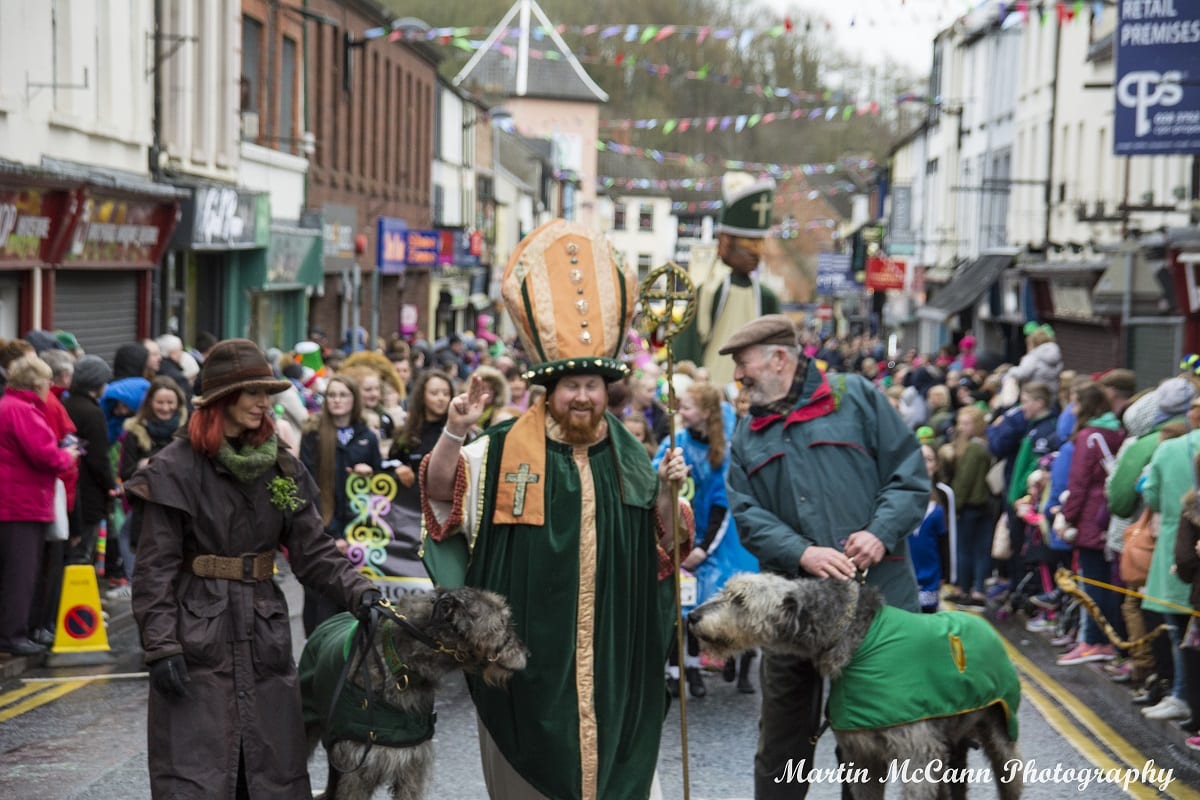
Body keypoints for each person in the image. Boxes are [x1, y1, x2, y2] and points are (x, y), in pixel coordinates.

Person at [421, 219, 690, 800]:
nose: (583, 396)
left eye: (593, 385)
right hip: (529, 663)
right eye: (571, 386)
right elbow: (443, 494)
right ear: (549, 390)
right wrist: (452, 433)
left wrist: (671, 493)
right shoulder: (499, 450)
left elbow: (665, 548)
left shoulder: (631, 458)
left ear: (607, 391)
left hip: (612, 661)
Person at [128, 339, 380, 798]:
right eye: (254, 392)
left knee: (271, 775)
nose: (265, 402)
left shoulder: (281, 466)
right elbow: (154, 570)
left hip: (263, 632)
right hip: (196, 633)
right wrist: (161, 646)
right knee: (199, 775)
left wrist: (360, 592)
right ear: (223, 399)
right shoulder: (174, 468)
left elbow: (312, 549)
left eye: (268, 393)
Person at [717, 314, 927, 799]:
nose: (739, 377)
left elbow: (909, 477)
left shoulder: (855, 397)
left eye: (743, 364)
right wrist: (802, 552)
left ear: (779, 358)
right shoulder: (749, 433)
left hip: (874, 606)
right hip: (792, 610)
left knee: (864, 740)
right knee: (782, 743)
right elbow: (747, 514)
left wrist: (880, 533)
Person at [654, 382, 759, 695]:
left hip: (717, 541)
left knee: (715, 603)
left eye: (686, 407)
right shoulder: (676, 443)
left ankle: (729, 662)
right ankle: (681, 671)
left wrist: (701, 548)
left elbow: (721, 504)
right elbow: (653, 479)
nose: (680, 413)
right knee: (679, 607)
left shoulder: (724, 450)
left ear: (706, 412)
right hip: (679, 531)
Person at [0, 355, 81, 655]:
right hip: (21, 503)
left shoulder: (8, 406)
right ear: (36, 383)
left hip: (10, 501)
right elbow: (45, 456)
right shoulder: (24, 411)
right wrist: (68, 456)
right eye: (48, 380)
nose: (51, 385)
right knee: (20, 573)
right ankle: (12, 636)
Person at [674, 171, 780, 388]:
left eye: (759, 246)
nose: (756, 254)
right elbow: (688, 348)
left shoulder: (766, 297)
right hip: (711, 390)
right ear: (726, 244)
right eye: (747, 247)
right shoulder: (708, 292)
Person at [298, 374, 380, 634]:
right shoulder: (313, 434)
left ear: (354, 399)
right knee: (319, 603)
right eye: (332, 395)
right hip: (323, 531)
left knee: (352, 604)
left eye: (343, 394)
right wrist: (331, 534)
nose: (337, 400)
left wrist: (371, 472)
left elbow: (380, 490)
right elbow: (307, 484)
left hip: (359, 533)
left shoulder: (367, 436)